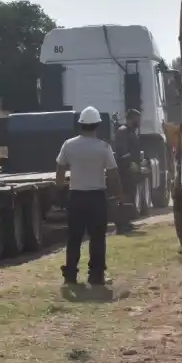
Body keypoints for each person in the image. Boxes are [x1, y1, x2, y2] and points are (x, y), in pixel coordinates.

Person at [56, 106, 123, 286]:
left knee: (74, 237)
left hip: (76, 197)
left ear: (80, 125)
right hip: (96, 198)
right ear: (97, 126)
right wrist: (118, 194)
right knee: (97, 238)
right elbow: (113, 173)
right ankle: (96, 276)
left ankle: (70, 275)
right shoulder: (103, 147)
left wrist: (61, 188)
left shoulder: (68, 145)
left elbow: (60, 168)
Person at [112, 108, 143, 234]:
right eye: (137, 118)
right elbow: (122, 151)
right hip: (124, 170)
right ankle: (121, 225)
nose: (139, 121)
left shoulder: (131, 132)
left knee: (130, 196)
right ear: (130, 118)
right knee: (124, 197)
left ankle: (127, 223)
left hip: (130, 169)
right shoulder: (123, 131)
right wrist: (130, 163)